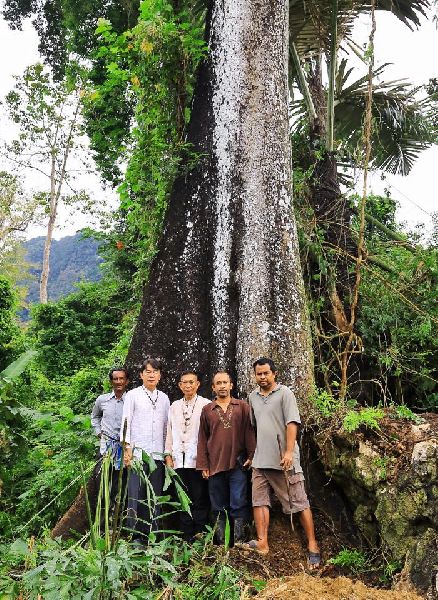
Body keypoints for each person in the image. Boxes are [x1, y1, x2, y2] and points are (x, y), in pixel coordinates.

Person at [245, 357, 320, 568]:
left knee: (299, 501)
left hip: (283, 460)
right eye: (258, 374)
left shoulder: (285, 394)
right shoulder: (253, 397)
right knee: (258, 500)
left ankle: (313, 544)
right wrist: (253, 454)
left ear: (274, 373)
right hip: (261, 460)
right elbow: (254, 427)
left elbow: (291, 423)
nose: (262, 377)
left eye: (265, 373)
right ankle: (262, 542)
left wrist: (288, 452)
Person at [196, 371, 256, 543]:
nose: (222, 386)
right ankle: (221, 543)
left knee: (238, 501)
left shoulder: (242, 407)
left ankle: (238, 541)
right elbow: (202, 438)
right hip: (214, 465)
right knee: (218, 505)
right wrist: (203, 465)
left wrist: (251, 455)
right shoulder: (207, 410)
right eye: (218, 383)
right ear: (213, 387)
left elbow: (249, 432)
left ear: (231, 385)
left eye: (225, 382)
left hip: (237, 464)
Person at [121, 357, 169, 541]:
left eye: (155, 372)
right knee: (136, 494)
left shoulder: (164, 398)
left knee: (154, 495)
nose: (151, 375)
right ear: (141, 375)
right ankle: (135, 536)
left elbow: (166, 428)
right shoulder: (133, 395)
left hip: (157, 455)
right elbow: (126, 422)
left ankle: (152, 533)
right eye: (148, 372)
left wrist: (166, 454)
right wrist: (127, 450)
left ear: (160, 375)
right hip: (137, 454)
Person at [165, 371, 211, 541]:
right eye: (185, 382)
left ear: (197, 384)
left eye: (191, 382)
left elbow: (209, 434)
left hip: (197, 461)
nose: (188, 385)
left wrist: (206, 461)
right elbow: (169, 432)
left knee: (199, 498)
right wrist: (168, 456)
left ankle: (200, 534)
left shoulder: (206, 405)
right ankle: (186, 535)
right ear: (180, 385)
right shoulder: (174, 406)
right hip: (178, 461)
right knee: (182, 498)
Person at [91, 367, 129, 507]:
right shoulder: (102, 400)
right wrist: (98, 432)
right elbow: (95, 417)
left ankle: (118, 519)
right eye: (115, 379)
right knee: (101, 484)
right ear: (111, 381)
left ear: (127, 381)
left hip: (124, 450)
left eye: (121, 379)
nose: (118, 381)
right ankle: (101, 522)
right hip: (105, 449)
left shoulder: (131, 400)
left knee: (121, 485)